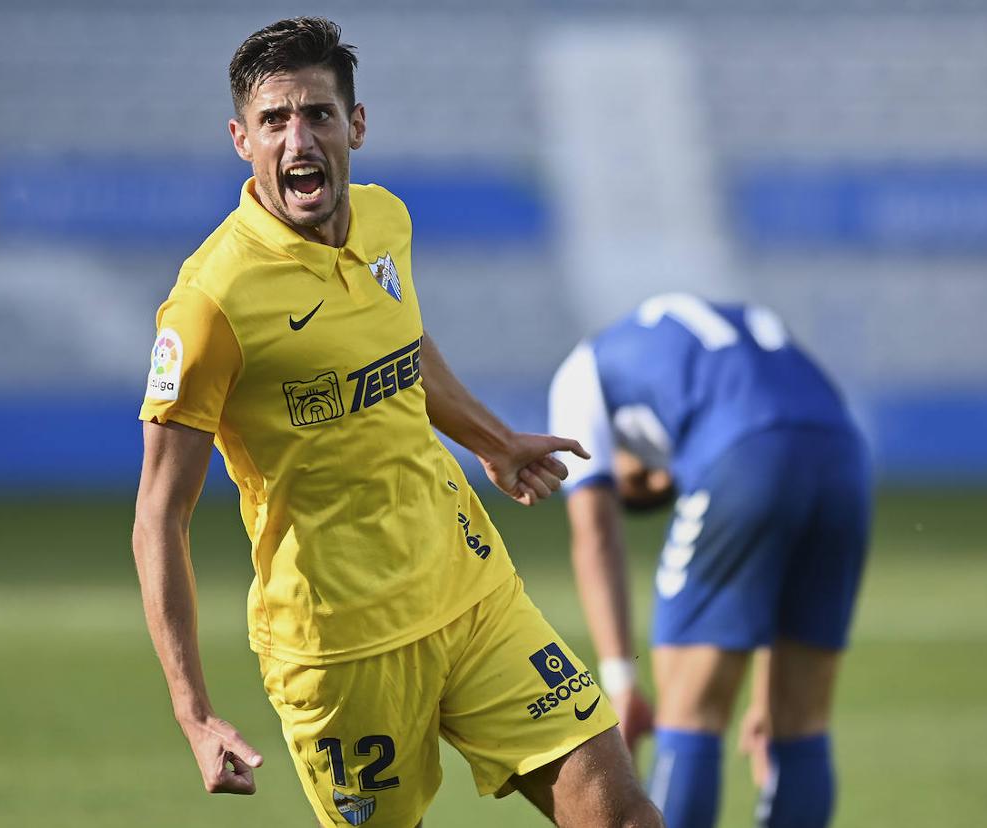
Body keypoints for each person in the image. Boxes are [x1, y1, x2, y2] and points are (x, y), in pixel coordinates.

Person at [132, 17, 662, 828]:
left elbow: (401, 343)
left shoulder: (385, 222)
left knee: (622, 814)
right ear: (242, 139)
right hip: (341, 649)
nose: (297, 137)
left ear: (358, 125)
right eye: (274, 121)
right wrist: (194, 714)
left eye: (317, 114)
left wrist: (493, 438)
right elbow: (157, 517)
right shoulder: (210, 306)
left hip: (471, 588)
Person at [549, 292, 871, 828]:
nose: (657, 478)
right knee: (802, 723)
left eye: (638, 481)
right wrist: (769, 693)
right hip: (844, 455)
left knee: (688, 713)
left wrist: (621, 681)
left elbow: (595, 532)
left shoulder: (578, 374)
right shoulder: (717, 327)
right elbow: (774, 564)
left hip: (743, 457)